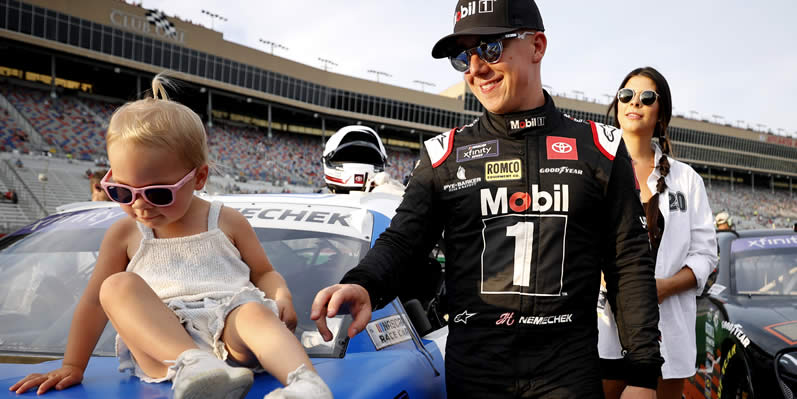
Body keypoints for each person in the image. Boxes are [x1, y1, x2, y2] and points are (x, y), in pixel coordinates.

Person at [311, 1, 663, 398]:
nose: (476, 68)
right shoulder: (444, 155)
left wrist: (642, 374)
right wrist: (364, 284)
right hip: (476, 375)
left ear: (537, 46)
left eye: (491, 48)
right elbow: (403, 242)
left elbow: (628, 265)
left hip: (568, 375)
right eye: (463, 56)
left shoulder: (600, 148)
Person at [10, 75, 332, 399]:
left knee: (252, 312)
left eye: (158, 194)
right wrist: (73, 366)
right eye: (121, 191)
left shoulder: (226, 221)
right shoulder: (124, 233)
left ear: (199, 178)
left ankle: (306, 384)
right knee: (115, 286)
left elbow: (263, 272)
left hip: (229, 326)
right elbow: (95, 302)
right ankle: (197, 367)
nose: (139, 205)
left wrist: (281, 296)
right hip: (164, 348)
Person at [598, 67, 718, 399]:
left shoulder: (687, 179)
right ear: (617, 104)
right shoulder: (593, 167)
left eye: (646, 97)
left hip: (668, 331)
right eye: (626, 95)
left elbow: (706, 254)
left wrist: (662, 287)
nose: (634, 102)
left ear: (660, 115)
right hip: (603, 329)